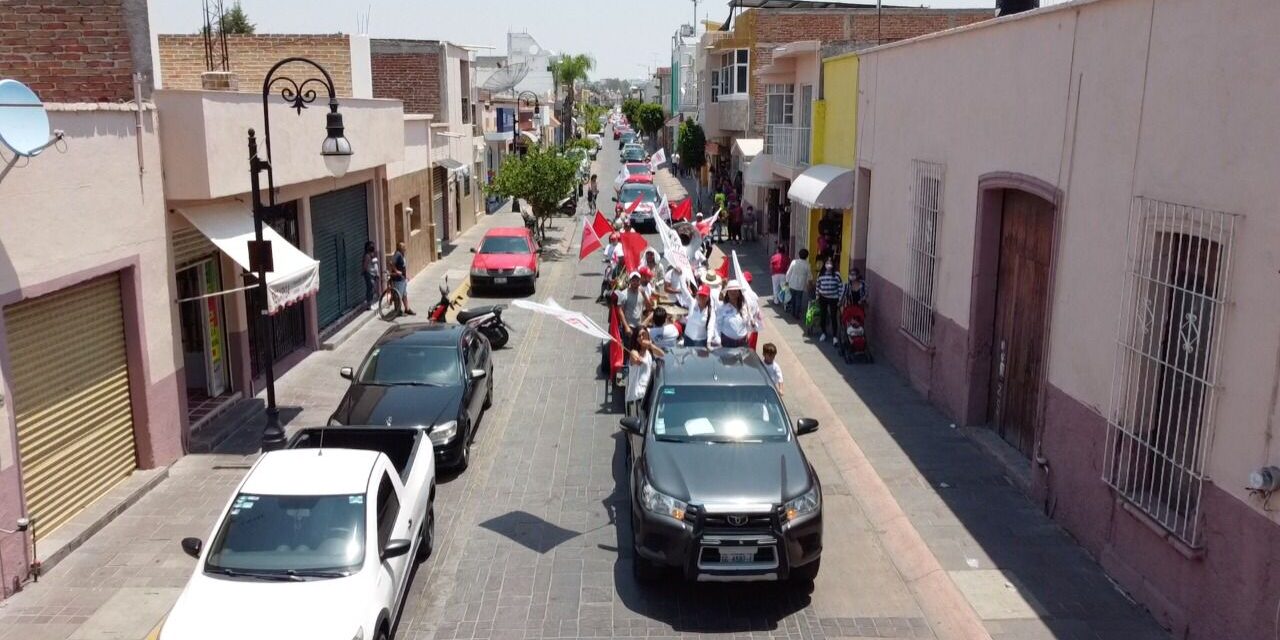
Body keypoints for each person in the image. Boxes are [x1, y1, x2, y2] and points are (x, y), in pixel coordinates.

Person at [625, 327, 664, 417]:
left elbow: (662, 354)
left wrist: (650, 345)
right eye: (639, 336)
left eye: (644, 334)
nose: (642, 337)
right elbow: (636, 359)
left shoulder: (649, 351)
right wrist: (637, 357)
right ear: (636, 339)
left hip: (649, 390)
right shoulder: (634, 352)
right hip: (638, 393)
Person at [716, 280, 752, 348]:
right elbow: (717, 325)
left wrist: (749, 331)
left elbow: (749, 322)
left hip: (743, 342)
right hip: (727, 342)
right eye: (730, 291)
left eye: (735, 291)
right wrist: (718, 340)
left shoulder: (745, 306)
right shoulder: (722, 307)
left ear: (739, 293)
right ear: (727, 293)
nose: (733, 293)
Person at [814, 259, 843, 342]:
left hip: (834, 298)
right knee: (823, 315)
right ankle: (823, 332)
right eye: (827, 263)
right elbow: (818, 285)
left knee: (833, 316)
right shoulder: (821, 273)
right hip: (823, 297)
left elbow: (840, 286)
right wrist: (817, 296)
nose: (829, 265)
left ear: (833, 264)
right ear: (824, 264)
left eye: (830, 263)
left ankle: (835, 336)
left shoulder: (837, 274)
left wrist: (840, 299)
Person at [618, 271, 652, 340]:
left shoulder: (642, 292)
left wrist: (644, 295)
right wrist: (626, 327)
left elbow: (649, 308)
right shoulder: (623, 294)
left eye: (637, 280)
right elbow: (620, 311)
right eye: (633, 280)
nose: (635, 283)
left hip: (639, 326)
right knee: (628, 348)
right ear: (630, 281)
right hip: (629, 326)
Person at [784, 248, 813, 318]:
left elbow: (788, 273)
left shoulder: (794, 262)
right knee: (799, 299)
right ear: (807, 256)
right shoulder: (807, 265)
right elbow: (810, 276)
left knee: (793, 298)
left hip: (792, 283)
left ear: (799, 255)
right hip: (801, 285)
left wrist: (786, 282)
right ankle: (797, 313)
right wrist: (810, 284)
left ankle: (793, 312)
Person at [389, 242, 414, 315]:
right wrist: (397, 271)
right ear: (400, 248)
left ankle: (407, 309)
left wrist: (405, 276)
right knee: (398, 295)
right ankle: (398, 311)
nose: (405, 248)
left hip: (402, 279)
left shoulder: (401, 254)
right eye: (403, 247)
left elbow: (403, 266)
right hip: (398, 280)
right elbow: (391, 263)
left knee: (404, 294)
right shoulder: (397, 254)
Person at [362, 241, 380, 311]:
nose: (372, 247)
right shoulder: (367, 255)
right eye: (371, 246)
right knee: (370, 289)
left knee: (372, 289)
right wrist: (364, 272)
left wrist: (377, 273)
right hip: (369, 274)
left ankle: (370, 302)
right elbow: (365, 266)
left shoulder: (372, 254)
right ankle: (369, 304)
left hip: (373, 275)